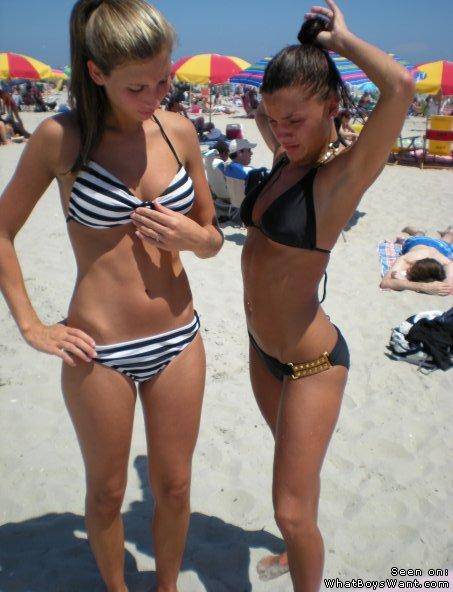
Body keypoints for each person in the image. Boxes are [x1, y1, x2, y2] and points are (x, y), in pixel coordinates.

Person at [0, 1, 223, 591]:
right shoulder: (60, 138)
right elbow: (1, 231)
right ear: (97, 73)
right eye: (137, 86)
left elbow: (212, 236)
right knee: (106, 492)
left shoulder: (178, 131)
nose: (155, 96)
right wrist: (31, 325)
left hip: (179, 339)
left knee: (175, 486)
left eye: (163, 80)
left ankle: (167, 586)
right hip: (98, 350)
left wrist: (195, 239)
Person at [240, 2, 415, 590]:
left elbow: (400, 86)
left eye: (294, 119)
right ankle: (297, 551)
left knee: (290, 511)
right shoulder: (283, 161)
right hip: (263, 351)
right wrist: (298, 68)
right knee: (296, 477)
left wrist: (340, 41)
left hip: (311, 364)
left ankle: (302, 560)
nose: (281, 130)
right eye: (274, 119)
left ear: (333, 107)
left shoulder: (340, 178)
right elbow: (269, 118)